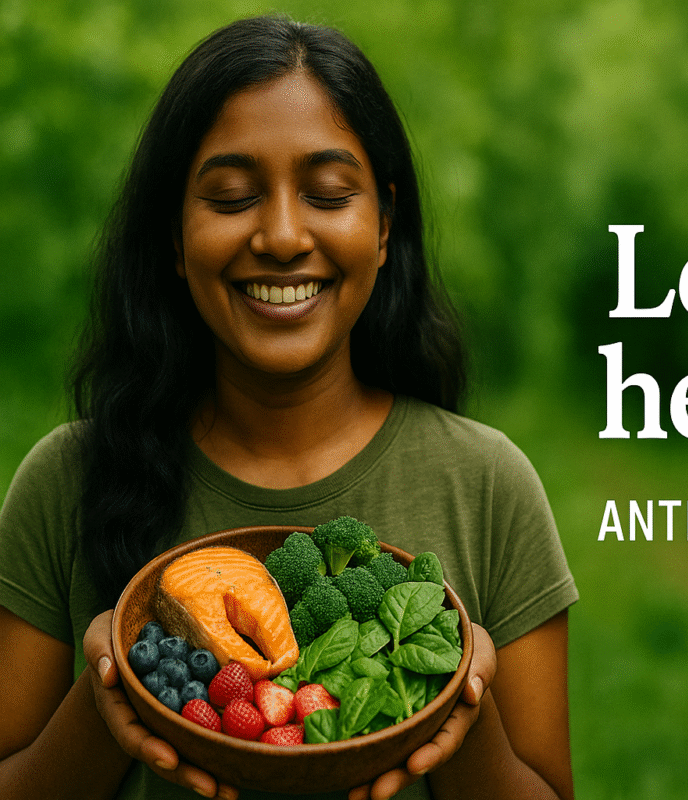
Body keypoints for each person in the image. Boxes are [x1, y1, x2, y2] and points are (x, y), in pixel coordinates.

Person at [0, 15, 577, 800]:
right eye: (233, 196)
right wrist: (107, 701)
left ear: (382, 225)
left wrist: (461, 715)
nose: (279, 234)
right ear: (175, 233)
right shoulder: (63, 480)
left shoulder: (487, 485)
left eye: (328, 194)